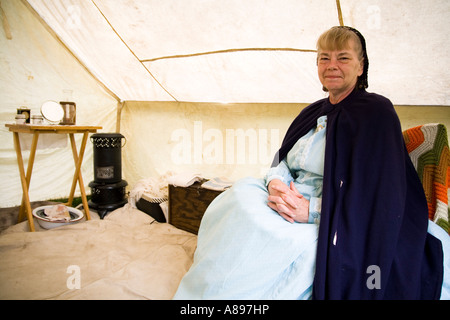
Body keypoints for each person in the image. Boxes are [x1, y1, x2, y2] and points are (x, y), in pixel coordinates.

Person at [173, 26, 448, 300]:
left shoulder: (377, 113)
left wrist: (315, 211)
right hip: (290, 197)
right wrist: (276, 182)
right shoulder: (312, 112)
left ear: (361, 66)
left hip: (335, 215)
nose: (332, 65)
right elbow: (283, 160)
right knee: (237, 198)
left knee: (278, 242)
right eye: (324, 57)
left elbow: (379, 194)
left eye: (343, 57)